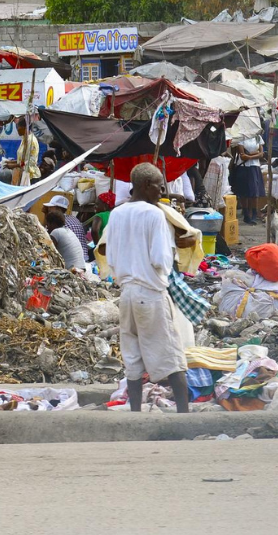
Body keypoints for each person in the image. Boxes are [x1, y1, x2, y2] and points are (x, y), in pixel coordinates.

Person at [105, 163, 190, 414]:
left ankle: (135, 415)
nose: (162, 191)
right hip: (151, 294)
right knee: (171, 357)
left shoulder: (117, 213)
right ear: (145, 185)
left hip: (127, 294)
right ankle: (185, 416)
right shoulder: (155, 215)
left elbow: (110, 259)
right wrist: (174, 246)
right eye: (159, 186)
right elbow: (160, 260)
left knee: (132, 358)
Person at [44, 195, 92, 260]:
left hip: (72, 260)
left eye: (51, 207)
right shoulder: (73, 219)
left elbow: (49, 242)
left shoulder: (57, 222)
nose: (48, 209)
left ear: (58, 209)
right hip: (84, 257)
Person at [232, 135, 265, 225]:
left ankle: (254, 214)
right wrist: (255, 154)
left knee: (255, 192)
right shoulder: (241, 137)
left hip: (255, 166)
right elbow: (242, 156)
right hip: (244, 167)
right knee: (244, 192)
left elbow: (262, 154)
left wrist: (249, 156)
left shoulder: (258, 137)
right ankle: (246, 214)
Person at [11, 119, 40, 187]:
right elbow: (23, 159)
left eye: (18, 128)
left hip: (31, 176)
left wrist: (14, 165)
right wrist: (11, 162)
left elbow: (29, 162)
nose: (17, 130)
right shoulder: (24, 139)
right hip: (25, 174)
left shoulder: (31, 140)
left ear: (24, 128)